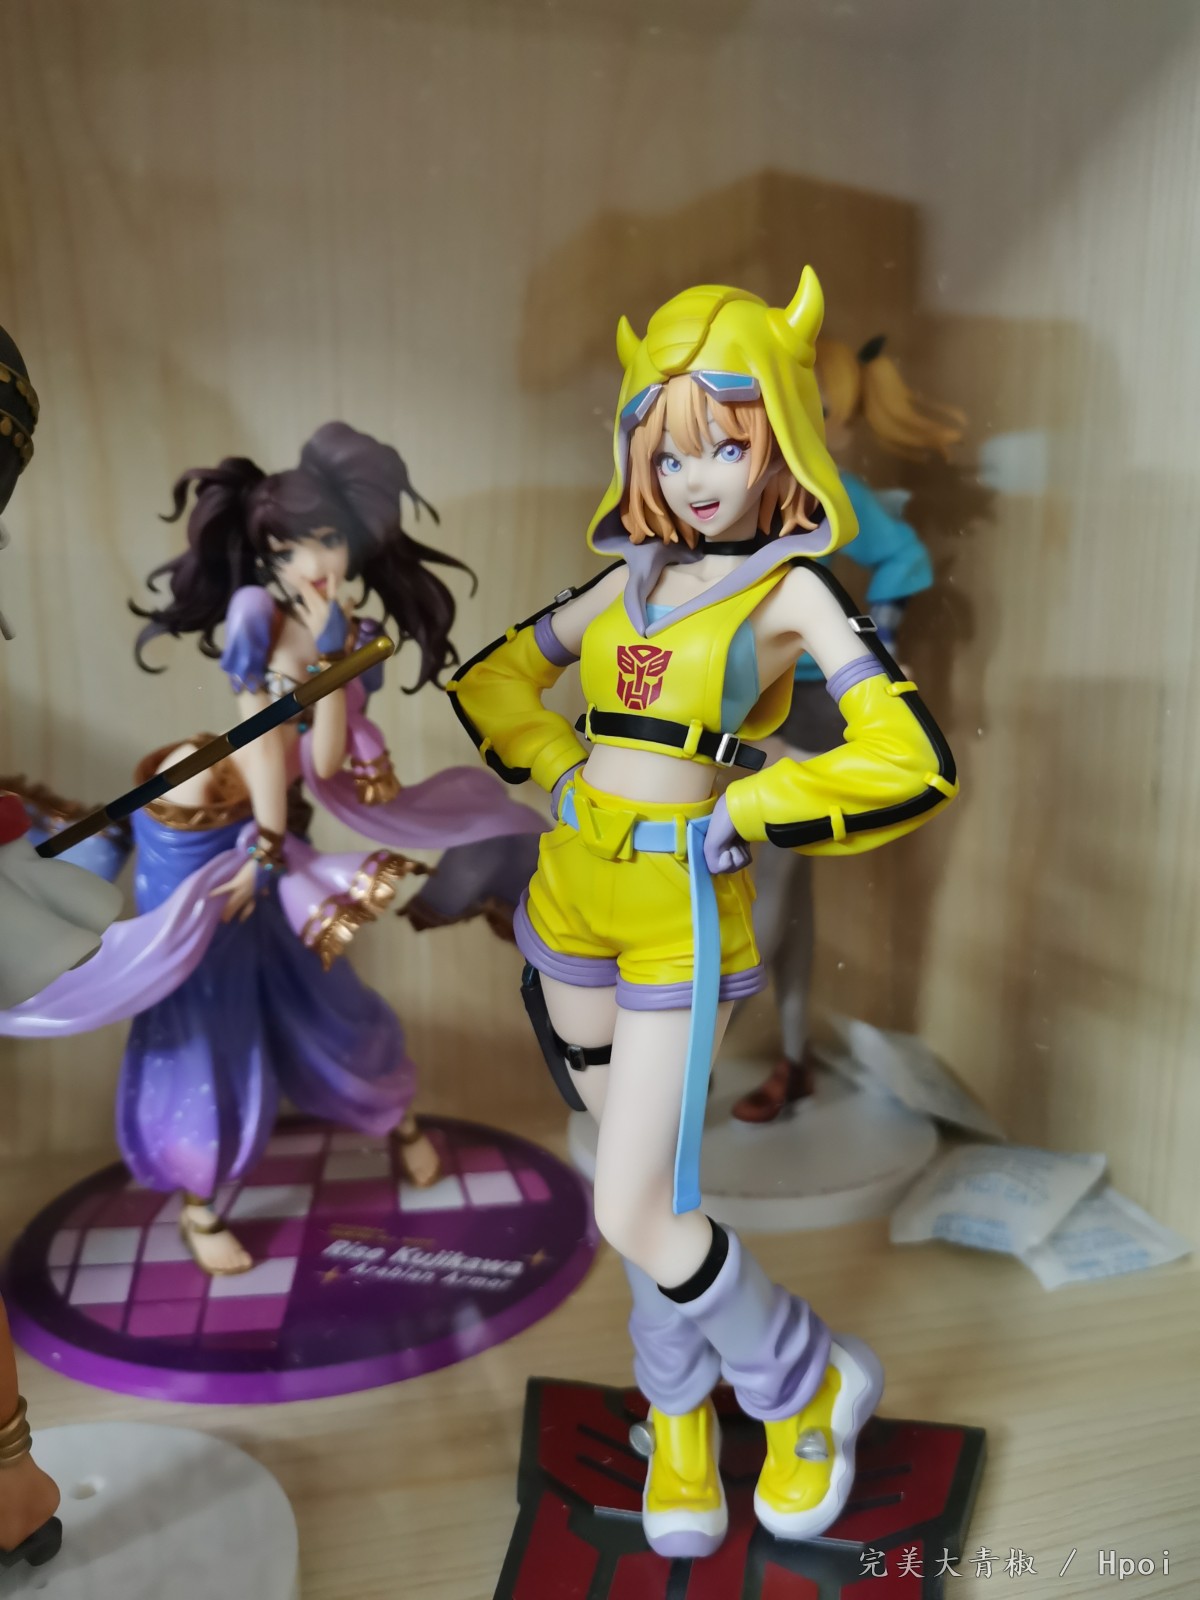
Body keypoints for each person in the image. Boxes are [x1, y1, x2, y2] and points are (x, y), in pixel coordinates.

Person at [447, 274, 957, 1555]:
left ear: (781, 435)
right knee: (635, 1177)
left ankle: (802, 1378)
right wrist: (556, 768)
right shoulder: (626, 580)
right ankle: (678, 1413)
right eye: (669, 451)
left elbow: (908, 758)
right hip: (571, 898)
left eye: (727, 445)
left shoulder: (795, 592)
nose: (698, 478)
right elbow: (494, 677)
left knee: (632, 1205)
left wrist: (760, 805)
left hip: (679, 907)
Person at [1, 423, 545, 1276]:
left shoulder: (350, 631)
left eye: (327, 539)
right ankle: (198, 1200)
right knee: (202, 1012)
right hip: (210, 821)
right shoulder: (256, 615)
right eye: (290, 547)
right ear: (265, 555)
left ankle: (394, 1117)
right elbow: (259, 740)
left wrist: (330, 661)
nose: (313, 561)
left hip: (279, 827)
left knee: (323, 996)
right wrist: (260, 844)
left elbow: (323, 762)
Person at [734, 333, 963, 1121]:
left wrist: (876, 640)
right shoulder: (743, 483)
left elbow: (903, 557)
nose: (818, 425)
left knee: (768, 883)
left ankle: (704, 1043)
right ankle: (793, 1060)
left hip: (807, 704)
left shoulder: (829, 489)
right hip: (749, 699)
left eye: (827, 412)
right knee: (788, 893)